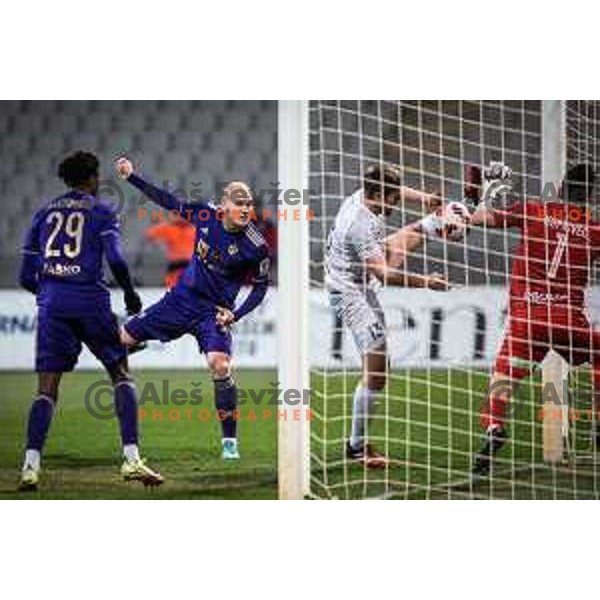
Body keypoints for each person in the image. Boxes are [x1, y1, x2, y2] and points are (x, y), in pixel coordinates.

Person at [18, 151, 162, 490]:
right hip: (91, 303)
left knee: (46, 389)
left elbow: (26, 275)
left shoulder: (43, 213)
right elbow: (116, 259)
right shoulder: (101, 211)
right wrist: (129, 294)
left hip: (53, 307)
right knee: (121, 374)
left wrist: (49, 293)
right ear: (93, 178)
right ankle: (130, 459)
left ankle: (30, 466)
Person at [115, 157, 270, 460]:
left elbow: (262, 286)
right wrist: (133, 177)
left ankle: (229, 444)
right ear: (224, 205)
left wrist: (235, 314)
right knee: (118, 341)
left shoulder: (256, 245)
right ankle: (141, 340)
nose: (244, 209)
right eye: (238, 203)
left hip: (214, 312)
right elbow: (168, 200)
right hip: (181, 300)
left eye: (248, 204)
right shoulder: (206, 215)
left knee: (221, 366)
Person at [470, 162, 600, 476]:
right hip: (569, 320)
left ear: (560, 188)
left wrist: (485, 189)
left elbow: (479, 218)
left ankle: (494, 427)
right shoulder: (595, 231)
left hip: (528, 318)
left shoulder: (533, 211)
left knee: (503, 375)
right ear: (590, 197)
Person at [326, 163, 450, 468]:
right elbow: (383, 275)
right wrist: (426, 283)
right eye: (392, 197)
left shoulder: (364, 195)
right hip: (351, 293)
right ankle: (356, 448)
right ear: (378, 194)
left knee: (409, 234)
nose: (396, 201)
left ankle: (442, 220)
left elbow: (397, 189)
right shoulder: (360, 225)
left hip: (357, 277)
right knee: (378, 370)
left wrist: (424, 199)